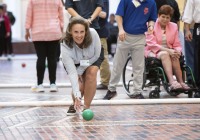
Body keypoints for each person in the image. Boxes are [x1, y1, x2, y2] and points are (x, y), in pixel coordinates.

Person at [103, 0, 157, 100]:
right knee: (118, 64)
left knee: (139, 66)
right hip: (125, 36)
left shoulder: (151, 2)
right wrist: (121, 29)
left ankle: (137, 92)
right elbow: (118, 15)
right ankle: (111, 90)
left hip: (140, 37)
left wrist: (151, 26)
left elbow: (152, 18)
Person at [61, 17, 104, 115]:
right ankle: (76, 101)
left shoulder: (93, 34)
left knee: (91, 73)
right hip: (75, 62)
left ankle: (86, 108)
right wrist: (77, 95)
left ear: (86, 31)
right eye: (76, 32)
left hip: (92, 57)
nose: (79, 35)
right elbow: (72, 73)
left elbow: (96, 55)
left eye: (82, 32)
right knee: (80, 86)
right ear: (70, 32)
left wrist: (81, 70)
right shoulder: (65, 45)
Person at [145, 5, 190, 90]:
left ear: (170, 18)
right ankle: (172, 81)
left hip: (169, 50)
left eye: (167, 17)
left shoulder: (174, 26)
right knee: (165, 54)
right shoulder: (151, 25)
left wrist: (177, 51)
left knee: (175, 55)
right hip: (153, 50)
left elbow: (177, 44)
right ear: (158, 16)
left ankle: (181, 82)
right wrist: (169, 51)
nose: (165, 19)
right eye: (163, 17)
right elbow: (151, 44)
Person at [25, 0, 64, 92]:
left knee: (41, 58)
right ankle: (53, 84)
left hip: (38, 31)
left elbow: (29, 15)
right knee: (52, 58)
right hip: (53, 31)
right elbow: (61, 16)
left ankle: (40, 84)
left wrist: (27, 30)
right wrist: (61, 29)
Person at [182, 0, 200, 98]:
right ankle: (198, 86)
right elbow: (188, 13)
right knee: (198, 57)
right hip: (198, 27)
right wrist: (187, 30)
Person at [96, 0, 111, 90]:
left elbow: (104, 14)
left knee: (103, 58)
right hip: (88, 31)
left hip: (100, 32)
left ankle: (105, 82)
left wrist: (91, 11)